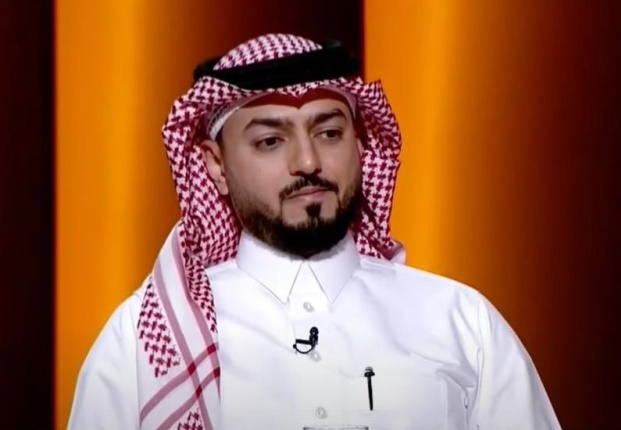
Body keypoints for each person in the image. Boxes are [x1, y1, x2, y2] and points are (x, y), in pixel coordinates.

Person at [67, 34, 562, 430]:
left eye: (329, 133)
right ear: (216, 166)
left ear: (360, 145)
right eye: (270, 141)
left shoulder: (461, 322)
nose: (307, 162)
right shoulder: (145, 341)